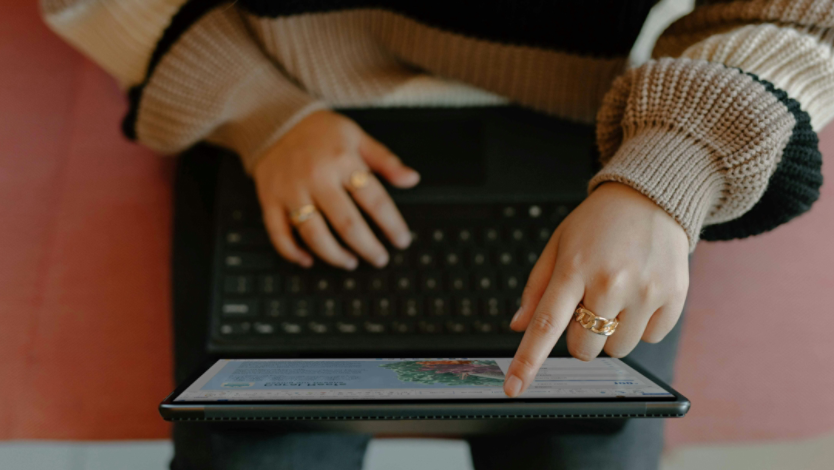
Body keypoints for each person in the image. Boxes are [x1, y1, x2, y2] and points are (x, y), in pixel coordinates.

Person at [41, 0, 827, 469]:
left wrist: (668, 171)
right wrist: (259, 114)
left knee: (591, 441)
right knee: (251, 450)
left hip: (589, 145)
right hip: (282, 118)